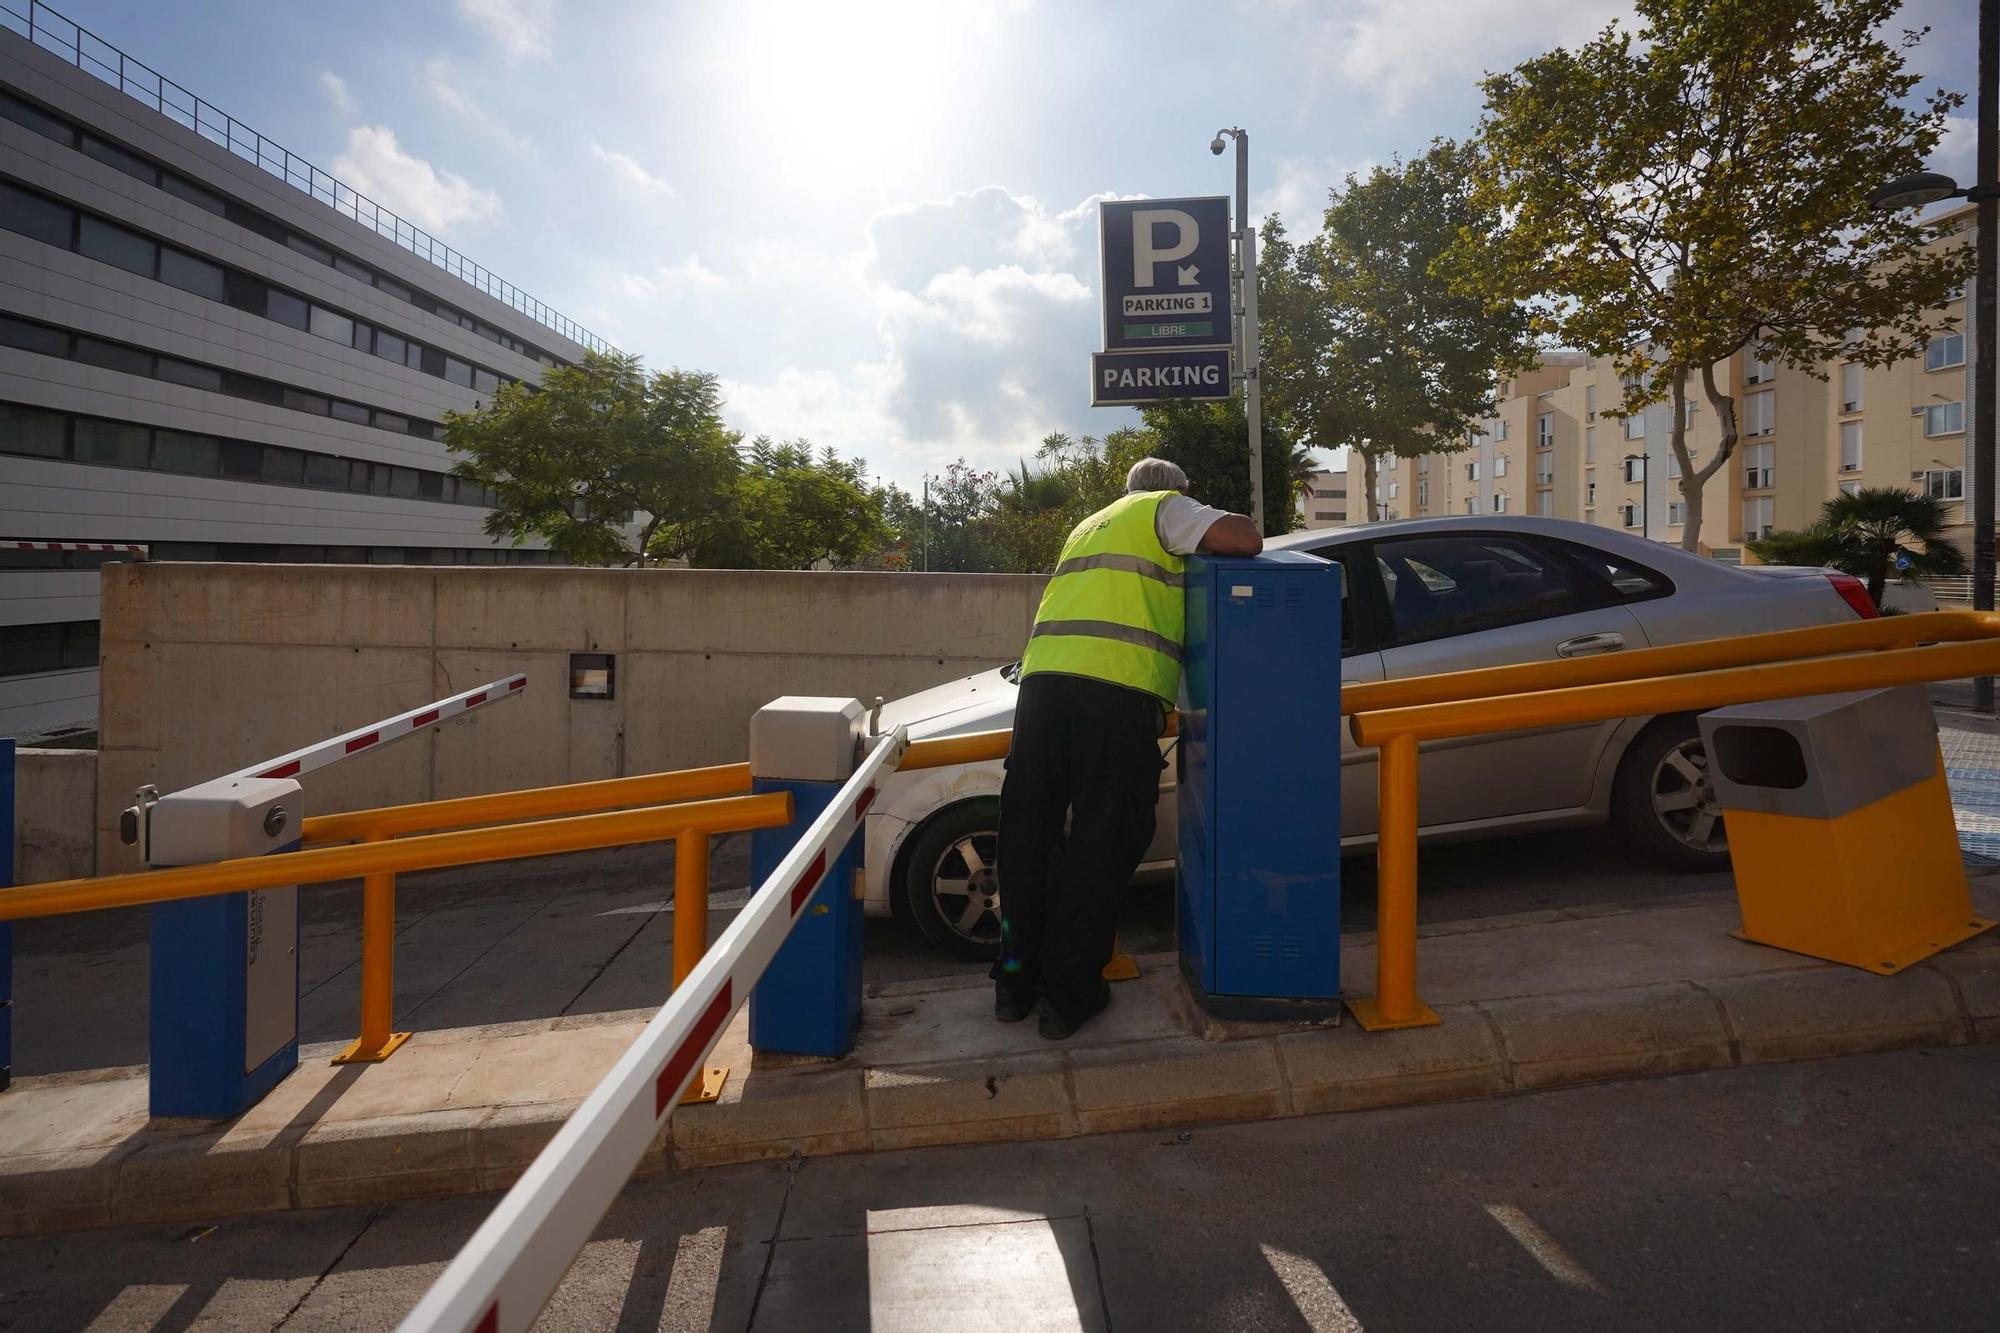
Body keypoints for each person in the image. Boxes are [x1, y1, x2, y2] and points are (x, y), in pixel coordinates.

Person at [994, 457, 1263, 1039]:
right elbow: (1245, 538)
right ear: (1178, 493)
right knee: (1102, 841)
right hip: (1114, 694)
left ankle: (1013, 987)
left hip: (1042, 691)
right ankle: (1067, 999)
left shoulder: (1088, 524)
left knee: (1028, 836)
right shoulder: (1165, 508)